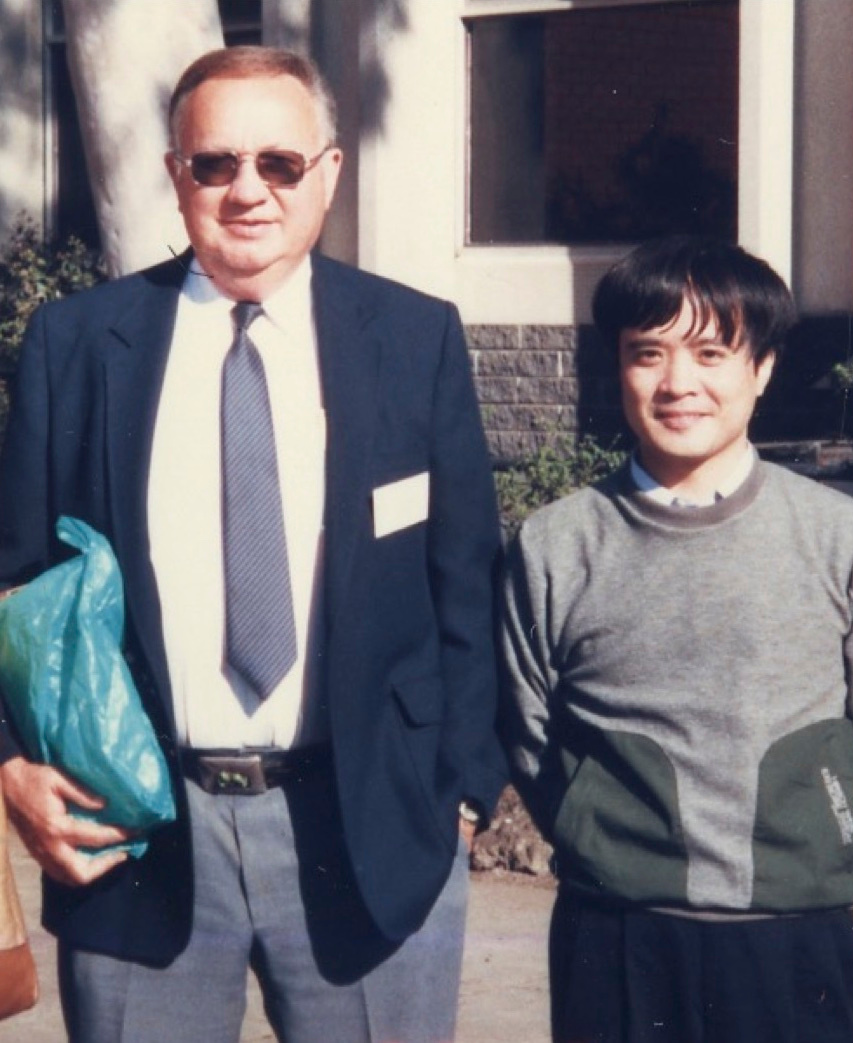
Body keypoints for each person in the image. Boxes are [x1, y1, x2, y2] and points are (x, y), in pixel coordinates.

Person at [0, 45, 506, 1043]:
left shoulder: (414, 339)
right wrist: (11, 762)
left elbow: (466, 590)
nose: (247, 192)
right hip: (134, 834)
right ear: (173, 176)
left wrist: (457, 792)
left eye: (279, 163)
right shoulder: (76, 344)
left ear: (327, 174)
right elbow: (13, 582)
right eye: (214, 163)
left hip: (368, 833)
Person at [498, 235, 853, 1043]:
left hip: (794, 934)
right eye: (647, 353)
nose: (678, 383)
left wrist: (836, 840)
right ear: (617, 366)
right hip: (616, 936)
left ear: (760, 368)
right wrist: (605, 837)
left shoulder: (841, 537)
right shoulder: (557, 543)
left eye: (710, 352)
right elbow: (528, 729)